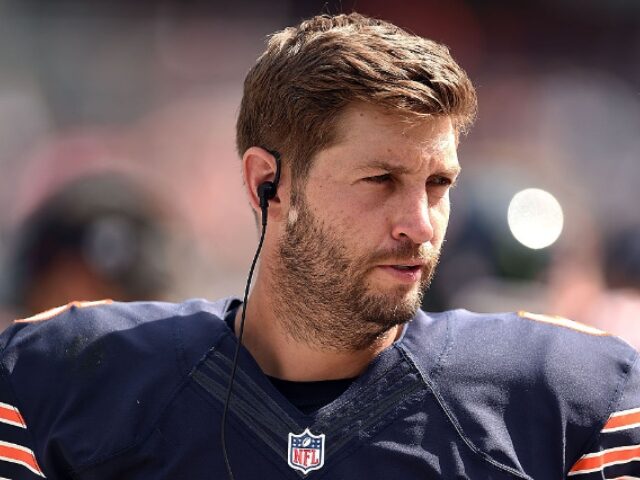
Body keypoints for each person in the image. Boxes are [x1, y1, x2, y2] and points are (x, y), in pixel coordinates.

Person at [0, 12, 638, 479]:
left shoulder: (564, 400)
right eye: (380, 180)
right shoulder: (60, 379)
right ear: (266, 183)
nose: (419, 223)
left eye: (438, 184)